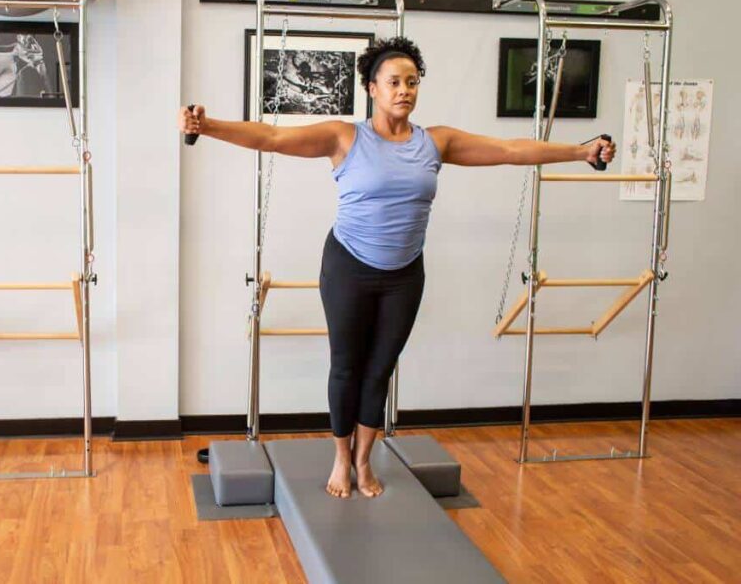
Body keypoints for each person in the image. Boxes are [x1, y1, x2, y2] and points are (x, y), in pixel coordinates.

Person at [178, 37, 616, 499]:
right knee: (347, 366)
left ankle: (364, 462)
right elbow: (272, 137)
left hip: (404, 273)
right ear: (372, 88)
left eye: (412, 82)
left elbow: (508, 150)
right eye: (393, 82)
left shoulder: (436, 142)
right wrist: (207, 126)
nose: (404, 90)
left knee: (381, 367)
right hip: (347, 266)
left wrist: (580, 152)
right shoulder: (344, 137)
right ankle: (341, 458)